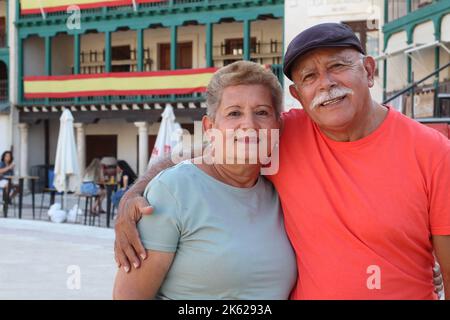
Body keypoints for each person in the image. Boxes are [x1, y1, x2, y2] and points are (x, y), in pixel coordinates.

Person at [114, 23, 450, 299]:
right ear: (298, 95)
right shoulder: (279, 130)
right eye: (309, 77)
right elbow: (210, 150)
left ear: (369, 70)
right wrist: (137, 193)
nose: (326, 83)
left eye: (337, 66)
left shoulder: (433, 152)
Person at [113, 61, 297, 299]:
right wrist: (131, 193)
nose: (249, 125)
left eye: (262, 112)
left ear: (278, 125)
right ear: (210, 128)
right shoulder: (173, 190)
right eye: (234, 113)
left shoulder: (276, 192)